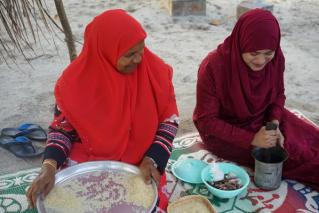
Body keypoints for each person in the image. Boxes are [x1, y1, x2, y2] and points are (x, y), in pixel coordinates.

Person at [27, 9, 179, 211]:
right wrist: (49, 166)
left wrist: (152, 158)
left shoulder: (155, 71)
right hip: (90, 158)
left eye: (141, 50)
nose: (138, 59)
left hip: (139, 162)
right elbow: (62, 130)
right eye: (129, 54)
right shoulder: (74, 83)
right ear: (105, 52)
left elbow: (169, 121)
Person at [193, 9, 319, 191]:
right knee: (296, 155)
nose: (261, 61)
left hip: (263, 118)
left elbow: (278, 95)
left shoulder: (276, 60)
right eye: (253, 53)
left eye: (268, 53)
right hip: (226, 133)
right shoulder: (214, 66)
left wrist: (273, 125)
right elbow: (207, 121)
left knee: (310, 139)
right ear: (241, 44)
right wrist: (252, 139)